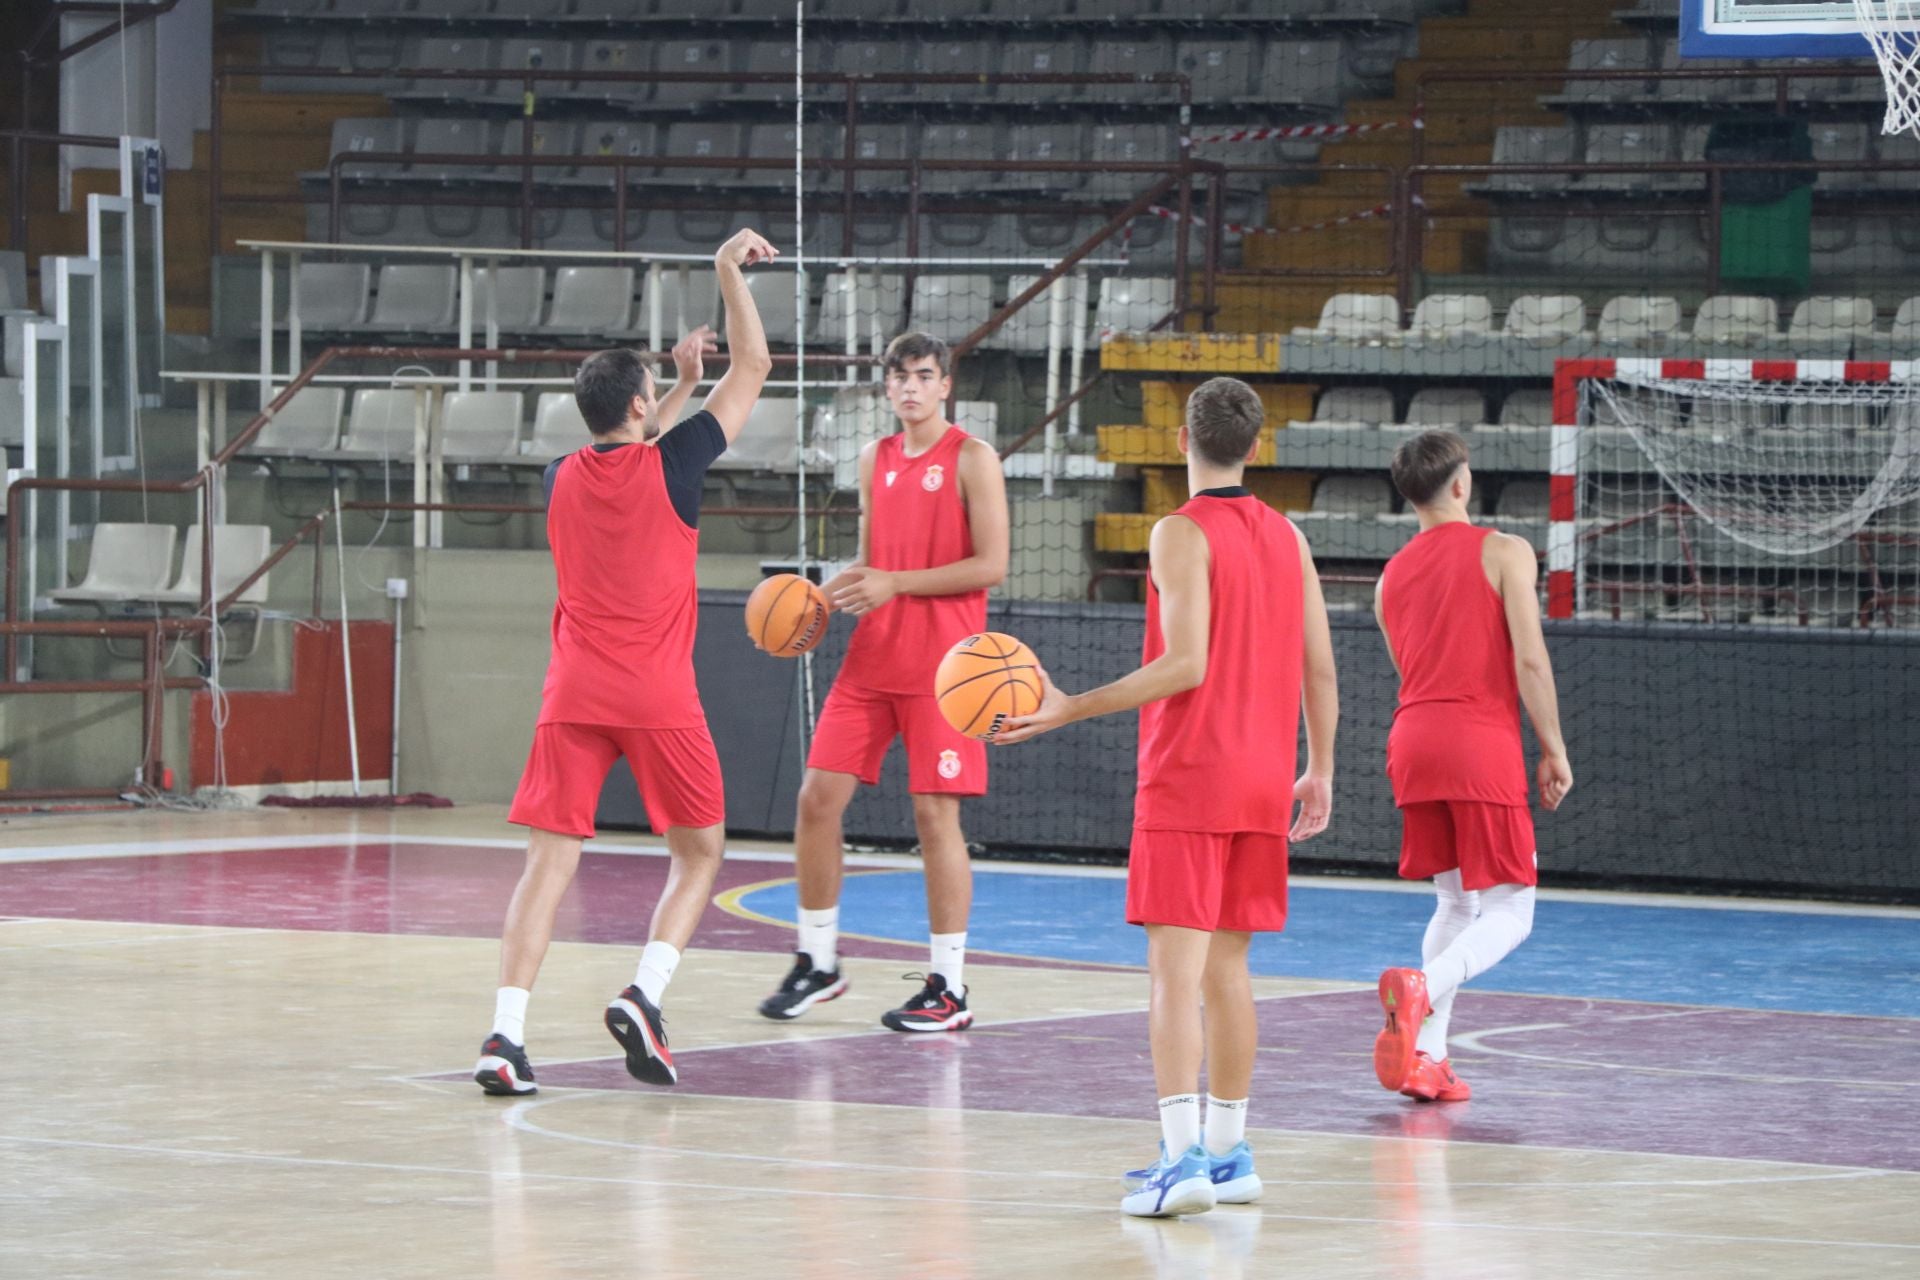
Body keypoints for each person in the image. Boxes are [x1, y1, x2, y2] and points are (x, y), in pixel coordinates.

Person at [995, 377, 1340, 1218]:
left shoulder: (1180, 533)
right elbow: (1320, 666)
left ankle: (1181, 1159)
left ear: (1181, 440)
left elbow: (1186, 665)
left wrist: (1067, 706)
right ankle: (1229, 1154)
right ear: (1256, 448)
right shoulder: (1288, 537)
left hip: (1191, 776)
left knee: (1172, 976)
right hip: (1263, 776)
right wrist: (1320, 767)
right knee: (1230, 971)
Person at [474, 228, 779, 1096]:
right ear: (641, 407)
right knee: (700, 855)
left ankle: (505, 1036)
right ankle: (645, 993)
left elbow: (635, 456)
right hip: (656, 694)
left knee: (547, 866)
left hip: (571, 692)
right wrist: (725, 272)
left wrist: (677, 382)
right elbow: (752, 366)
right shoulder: (675, 469)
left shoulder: (558, 478)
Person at [756, 332, 1010, 1032]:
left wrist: (897, 582)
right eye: (899, 378)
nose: (910, 389)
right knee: (816, 799)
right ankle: (817, 961)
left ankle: (950, 988)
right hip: (873, 659)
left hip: (948, 669)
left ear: (944, 386)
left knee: (935, 818)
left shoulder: (974, 459)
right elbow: (876, 562)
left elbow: (991, 565)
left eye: (924, 377)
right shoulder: (876, 459)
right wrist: (821, 598)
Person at [1369, 429, 1572, 1104]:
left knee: (1456, 900)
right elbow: (1530, 659)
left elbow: (1411, 670)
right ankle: (1424, 992)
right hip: (1475, 740)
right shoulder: (1506, 551)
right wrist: (1552, 747)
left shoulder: (1389, 577)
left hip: (1412, 739)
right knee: (1514, 910)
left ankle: (1427, 1056)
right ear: (1461, 483)